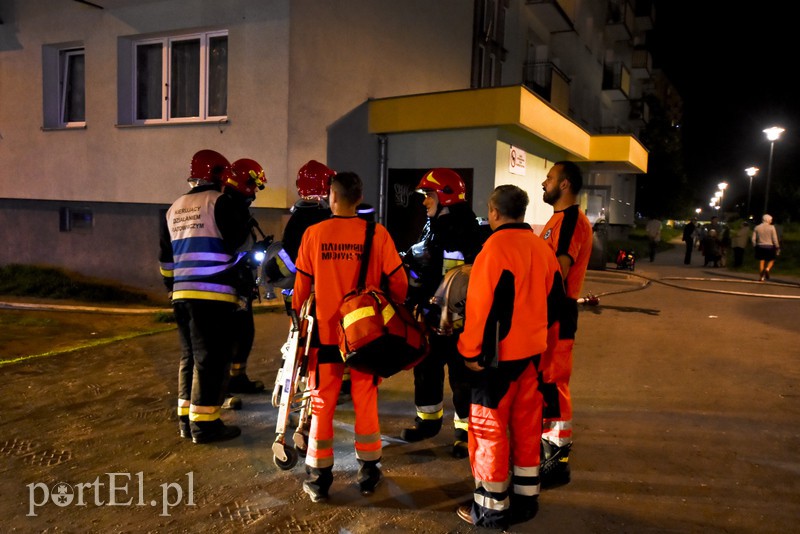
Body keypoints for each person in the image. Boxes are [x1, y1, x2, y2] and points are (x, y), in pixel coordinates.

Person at [292, 171, 408, 502]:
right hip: (365, 336)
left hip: (326, 337)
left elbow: (300, 291)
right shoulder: (378, 234)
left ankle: (319, 479)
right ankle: (369, 471)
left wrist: (299, 323)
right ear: (359, 198)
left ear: (332, 196)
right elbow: (399, 285)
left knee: (323, 402)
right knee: (365, 400)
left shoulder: (313, 234)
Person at [456, 184, 563, 529]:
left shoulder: (493, 249)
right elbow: (556, 304)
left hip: (496, 362)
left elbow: (479, 308)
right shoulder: (541, 247)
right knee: (527, 429)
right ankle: (526, 500)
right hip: (532, 357)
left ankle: (490, 508)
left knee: (489, 432)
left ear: (493, 212)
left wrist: (469, 352)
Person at [158, 149, 251, 444]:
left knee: (190, 358)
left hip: (181, 295)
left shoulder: (174, 208)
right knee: (212, 360)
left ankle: (186, 421)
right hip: (214, 296)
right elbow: (240, 244)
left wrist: (173, 288)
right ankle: (206, 425)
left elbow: (165, 260)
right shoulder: (220, 202)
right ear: (220, 175)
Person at [399, 168, 484, 459]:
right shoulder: (435, 225)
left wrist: (416, 261)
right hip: (433, 317)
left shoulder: (465, 230)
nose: (424, 202)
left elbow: (450, 271)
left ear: (446, 196)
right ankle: (428, 422)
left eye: (428, 196)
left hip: (459, 322)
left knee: (462, 378)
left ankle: (464, 432)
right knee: (426, 371)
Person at [537, 160, 593, 487]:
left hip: (557, 310)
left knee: (554, 380)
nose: (544, 183)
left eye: (550, 178)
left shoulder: (571, 220)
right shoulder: (556, 219)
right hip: (547, 311)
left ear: (565, 184)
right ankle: (549, 448)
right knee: (545, 381)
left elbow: (559, 270)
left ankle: (559, 461)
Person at [220, 158, 268, 400]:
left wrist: (256, 250)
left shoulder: (236, 207)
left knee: (244, 332)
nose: (255, 194)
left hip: (239, 280)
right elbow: (230, 245)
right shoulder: (229, 207)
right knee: (234, 333)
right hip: (231, 281)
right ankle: (227, 382)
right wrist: (246, 259)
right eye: (255, 186)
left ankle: (237, 377)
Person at [752, 213, 780, 280]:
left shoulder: (757, 227)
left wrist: (754, 245)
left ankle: (761, 277)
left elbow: (753, 239)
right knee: (772, 260)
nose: (771, 221)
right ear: (768, 220)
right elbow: (774, 238)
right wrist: (777, 246)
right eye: (771, 220)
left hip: (760, 246)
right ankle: (767, 269)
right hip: (769, 247)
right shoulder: (772, 227)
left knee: (761, 261)